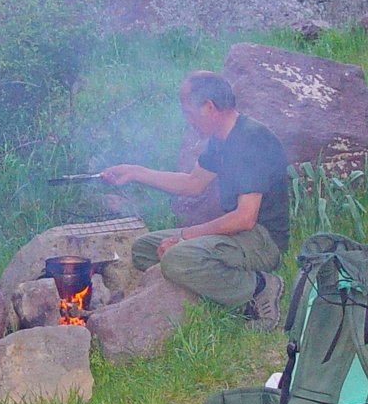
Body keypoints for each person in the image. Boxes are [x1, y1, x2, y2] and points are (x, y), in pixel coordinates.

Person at [100, 71, 289, 329]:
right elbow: (192, 184)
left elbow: (246, 218)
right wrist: (136, 172)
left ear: (209, 107)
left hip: (262, 240)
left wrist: (185, 237)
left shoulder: (251, 140)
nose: (188, 121)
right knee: (144, 248)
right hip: (235, 235)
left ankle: (260, 287)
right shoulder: (220, 141)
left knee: (176, 258)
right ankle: (217, 287)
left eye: (189, 113)